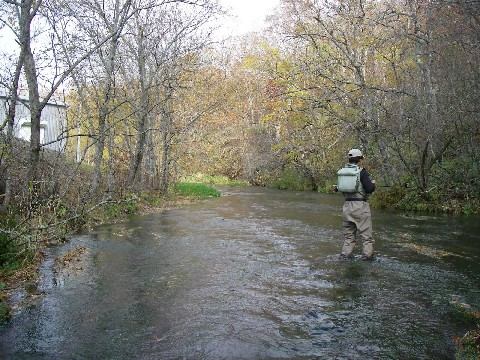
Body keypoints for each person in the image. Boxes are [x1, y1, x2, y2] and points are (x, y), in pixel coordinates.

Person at [338, 148, 376, 260]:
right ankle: (368, 257)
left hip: (346, 207)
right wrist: (373, 184)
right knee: (366, 237)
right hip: (360, 206)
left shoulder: (342, 172)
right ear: (360, 159)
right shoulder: (362, 172)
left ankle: (345, 255)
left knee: (349, 236)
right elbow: (369, 189)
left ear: (349, 159)